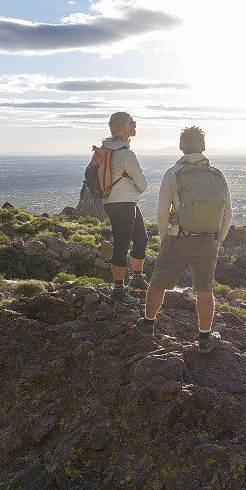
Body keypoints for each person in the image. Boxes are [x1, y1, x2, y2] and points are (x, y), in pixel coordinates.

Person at [135, 126, 232, 353]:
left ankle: (148, 324)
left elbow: (161, 211)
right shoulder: (218, 175)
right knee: (204, 289)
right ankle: (205, 338)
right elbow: (228, 213)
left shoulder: (173, 173)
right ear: (204, 147)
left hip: (177, 237)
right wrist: (218, 239)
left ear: (181, 147)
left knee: (158, 282)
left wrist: (164, 237)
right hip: (208, 240)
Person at [102, 111, 149, 304]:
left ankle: (137, 278)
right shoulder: (126, 154)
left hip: (119, 202)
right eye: (133, 122)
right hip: (123, 203)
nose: (135, 125)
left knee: (141, 238)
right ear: (124, 127)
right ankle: (118, 290)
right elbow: (143, 185)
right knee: (122, 244)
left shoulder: (108, 150)